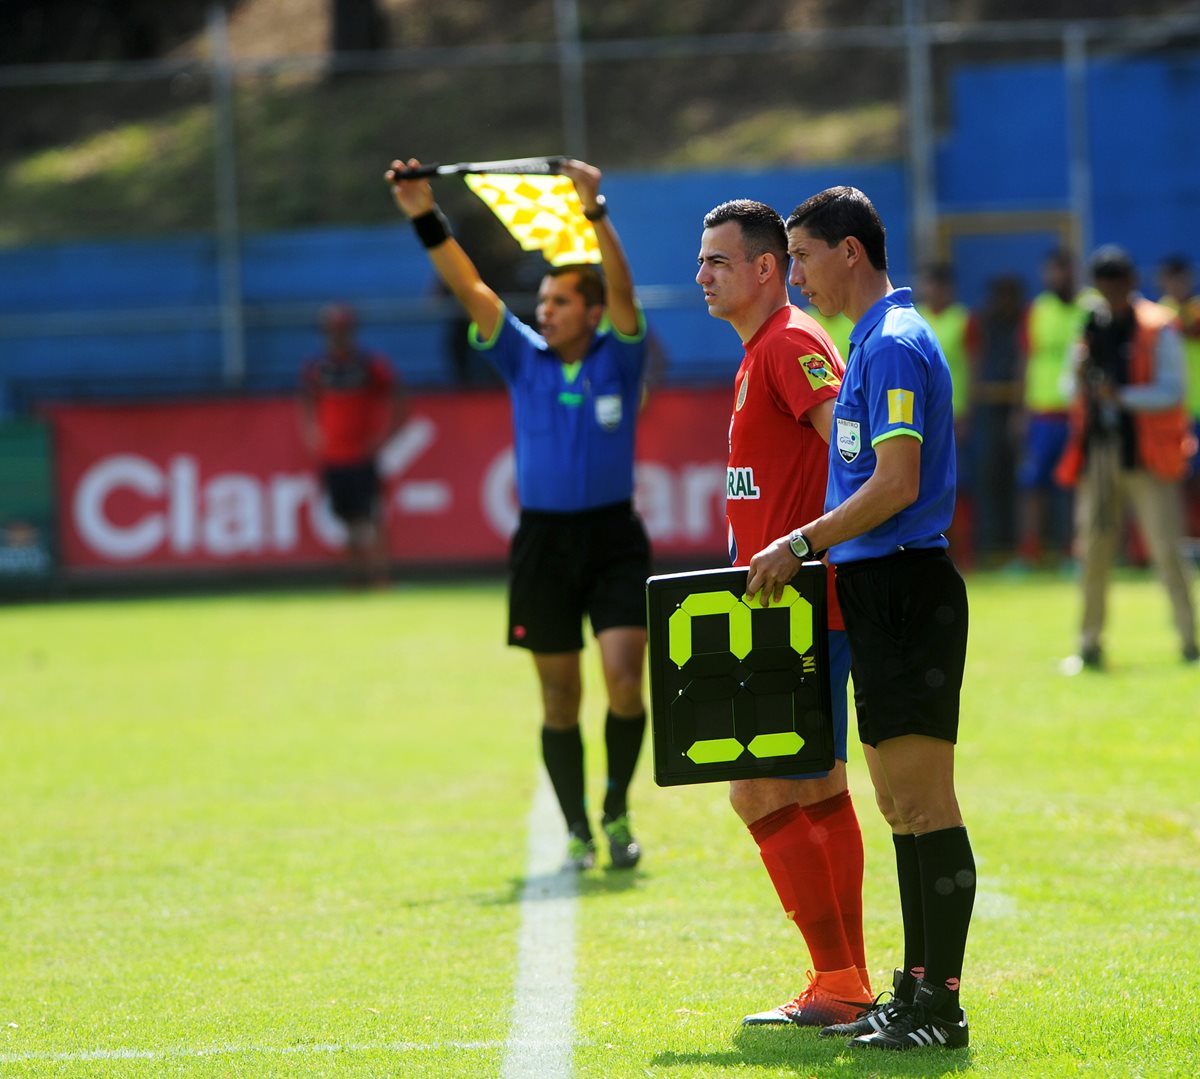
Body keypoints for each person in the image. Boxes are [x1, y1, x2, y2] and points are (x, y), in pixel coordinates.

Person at [747, 186, 975, 1052]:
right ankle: (911, 994)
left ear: (851, 251)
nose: (795, 275)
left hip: (908, 587)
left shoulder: (897, 343)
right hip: (878, 591)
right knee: (897, 805)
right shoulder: (870, 341)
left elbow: (897, 482)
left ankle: (940, 1007)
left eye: (802, 257)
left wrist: (798, 542)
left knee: (927, 802)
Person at [387, 157, 650, 871]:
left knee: (626, 682)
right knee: (560, 695)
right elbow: (467, 284)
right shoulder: (522, 358)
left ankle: (617, 807)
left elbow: (621, 285)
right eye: (543, 300)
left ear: (593, 312)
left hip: (614, 537)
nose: (545, 309)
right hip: (543, 543)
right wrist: (421, 211)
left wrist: (594, 211)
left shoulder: (620, 359)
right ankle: (576, 828)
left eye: (560, 300)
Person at [695, 199, 872, 1028]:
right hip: (779, 604)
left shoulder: (791, 341)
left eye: (717, 263)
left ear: (765, 268)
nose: (702, 277)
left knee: (767, 788)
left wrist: (806, 545)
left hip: (800, 606)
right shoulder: (760, 349)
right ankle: (841, 980)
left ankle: (841, 982)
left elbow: (852, 445)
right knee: (803, 784)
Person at [1056, 245, 1198, 671]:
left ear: (1131, 284)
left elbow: (1173, 390)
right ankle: (1089, 644)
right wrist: (1081, 377)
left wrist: (1121, 397)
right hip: (1099, 454)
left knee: (1166, 551)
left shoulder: (1159, 326)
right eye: (1103, 287)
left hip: (1148, 457)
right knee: (1094, 552)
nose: (1110, 295)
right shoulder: (1088, 326)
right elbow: (1066, 389)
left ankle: (1190, 642)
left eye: (1116, 286)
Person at [299, 303, 407, 586]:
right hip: (334, 456)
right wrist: (313, 433)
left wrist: (385, 436)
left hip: (362, 455)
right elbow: (307, 404)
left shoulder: (369, 365)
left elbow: (397, 397)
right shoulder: (318, 369)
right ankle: (354, 575)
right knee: (345, 519)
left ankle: (380, 575)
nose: (337, 336)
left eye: (342, 330)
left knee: (371, 517)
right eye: (332, 331)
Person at [1012, 249, 1090, 568]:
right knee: (1032, 485)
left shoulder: (1090, 308)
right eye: (1051, 271)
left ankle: (1076, 553)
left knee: (1078, 487)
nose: (1056, 277)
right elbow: (1025, 360)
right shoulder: (1038, 310)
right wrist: (1020, 409)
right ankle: (1029, 553)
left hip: (1079, 414)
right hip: (1042, 413)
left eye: (1062, 271)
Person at [916, 262, 977, 567]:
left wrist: (967, 412)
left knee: (958, 485)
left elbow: (972, 367)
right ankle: (928, 551)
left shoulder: (962, 319)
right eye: (930, 284)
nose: (935, 291)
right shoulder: (915, 318)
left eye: (941, 286)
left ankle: (962, 553)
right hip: (920, 418)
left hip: (955, 418)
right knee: (922, 486)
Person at [1156, 254, 1200, 538]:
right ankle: (1177, 538)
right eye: (1171, 279)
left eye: (1181, 278)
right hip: (1171, 412)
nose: (1177, 284)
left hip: (1197, 410)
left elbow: (1191, 329)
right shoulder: (1156, 315)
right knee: (1172, 479)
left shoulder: (1196, 310)